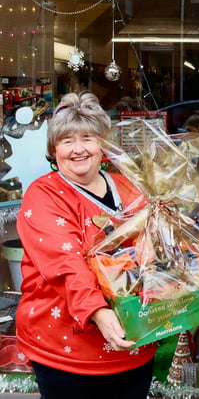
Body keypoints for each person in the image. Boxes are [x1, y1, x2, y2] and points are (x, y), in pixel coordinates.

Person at [16, 91, 156, 399]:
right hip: (68, 351)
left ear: (102, 143)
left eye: (88, 138)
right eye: (67, 141)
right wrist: (98, 311)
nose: (78, 149)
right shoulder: (43, 195)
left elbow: (154, 246)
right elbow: (65, 263)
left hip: (135, 342)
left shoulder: (128, 186)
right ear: (54, 150)